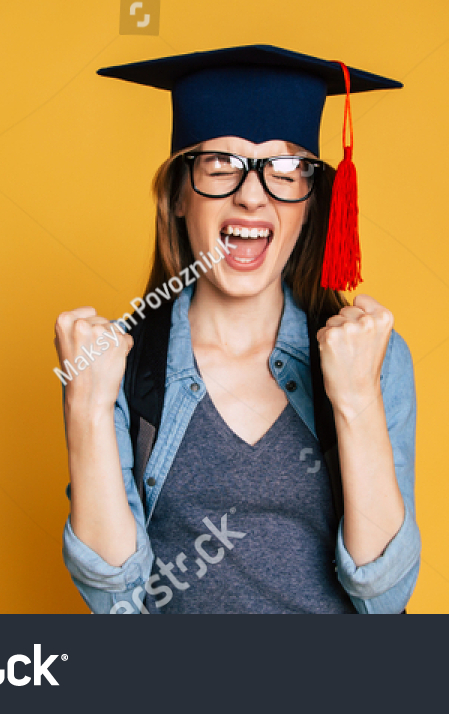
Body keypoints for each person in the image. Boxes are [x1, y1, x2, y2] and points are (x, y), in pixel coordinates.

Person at [54, 45, 420, 613]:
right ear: (178, 194)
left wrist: (355, 399)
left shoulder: (372, 357)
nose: (252, 194)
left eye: (286, 168)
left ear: (311, 201)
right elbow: (114, 600)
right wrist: (85, 406)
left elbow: (386, 594)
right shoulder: (120, 362)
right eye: (220, 165)